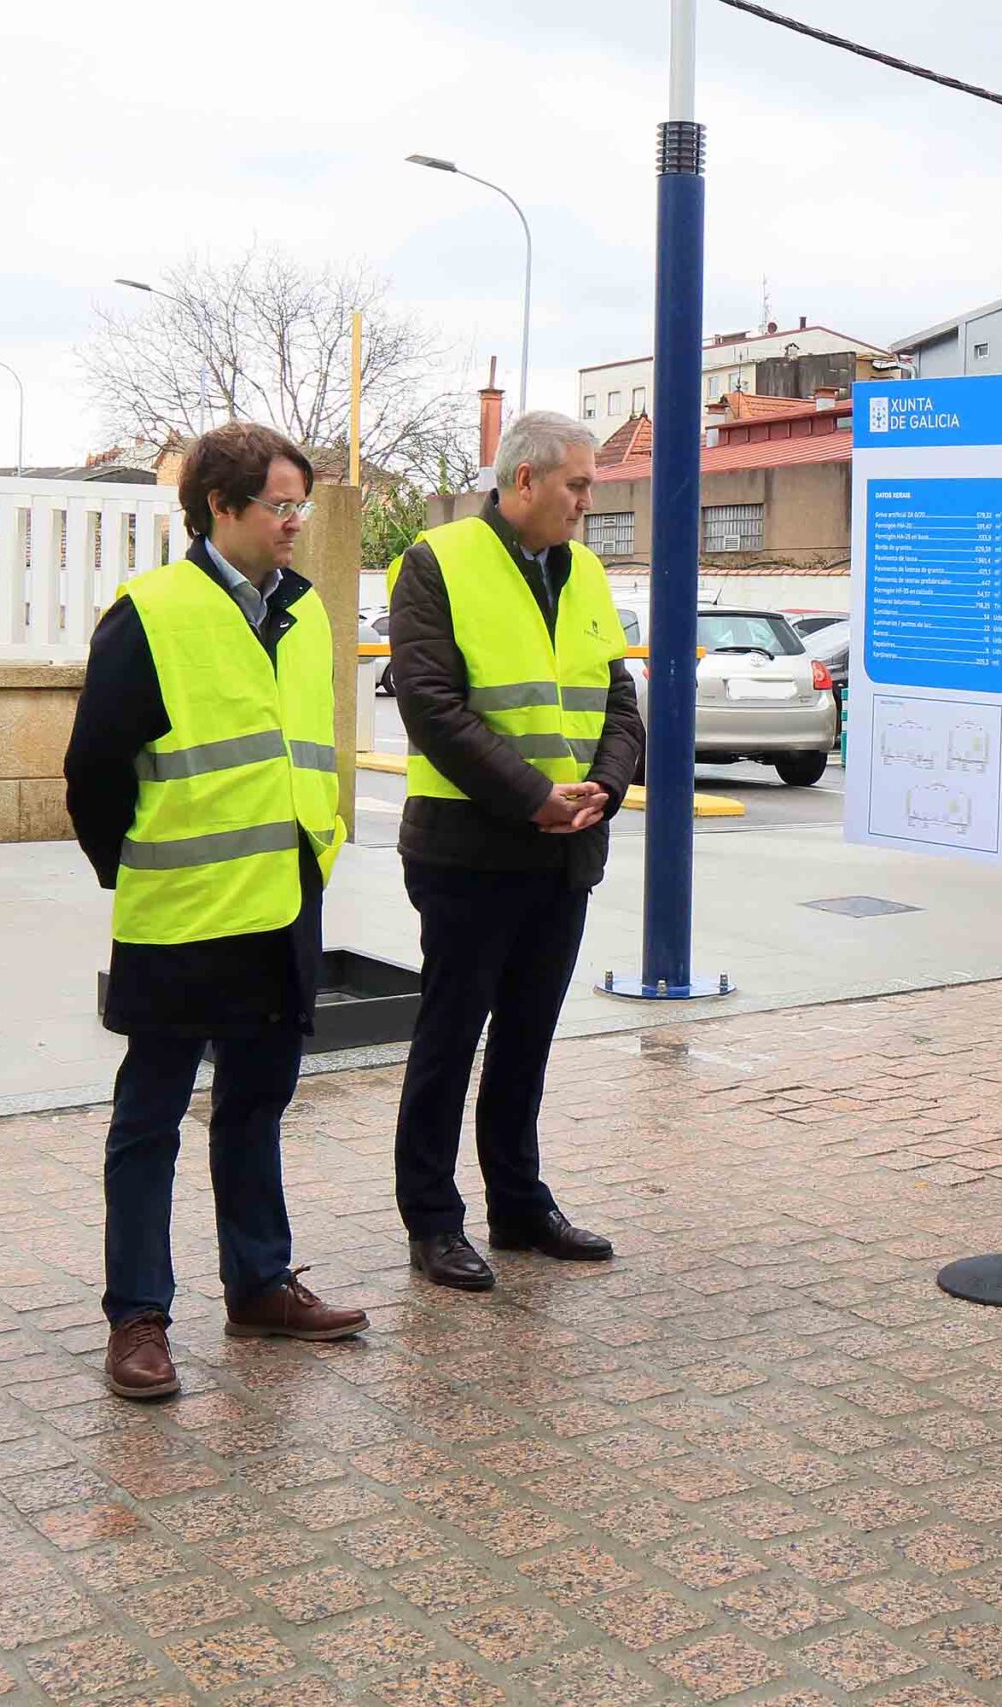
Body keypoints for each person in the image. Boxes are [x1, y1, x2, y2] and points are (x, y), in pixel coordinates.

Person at [65, 422, 365, 1401]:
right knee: (149, 1117)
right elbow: (93, 772)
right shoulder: (148, 614)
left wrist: (316, 847)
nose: (295, 521)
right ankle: (138, 1317)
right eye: (279, 505)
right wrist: (131, 868)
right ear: (220, 508)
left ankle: (260, 1284)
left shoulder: (305, 612)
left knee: (257, 1103)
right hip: (182, 911)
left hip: (282, 905)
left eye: (300, 504)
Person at [386, 411, 644, 1290]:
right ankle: (432, 1219)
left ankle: (519, 1204)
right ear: (524, 480)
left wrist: (604, 785)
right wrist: (534, 796)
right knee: (450, 1037)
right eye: (578, 484)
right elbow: (430, 706)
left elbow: (618, 700)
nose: (587, 501)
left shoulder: (586, 571)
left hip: (564, 850)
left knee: (527, 1038)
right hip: (468, 848)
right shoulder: (436, 562)